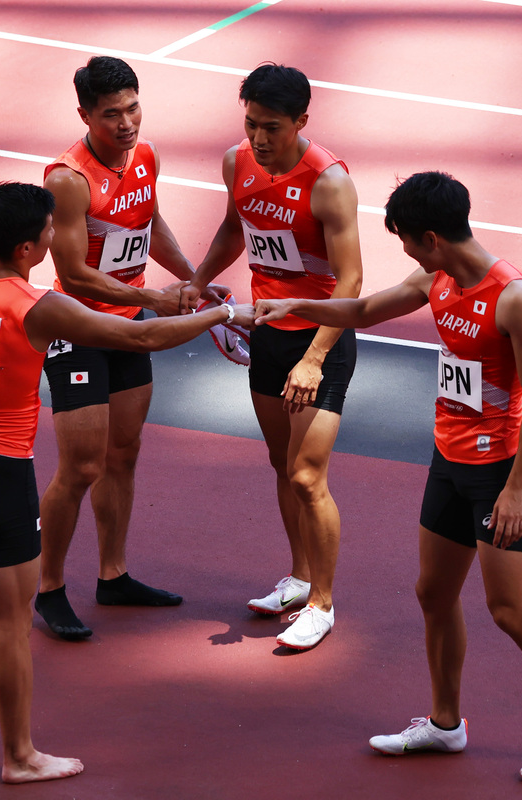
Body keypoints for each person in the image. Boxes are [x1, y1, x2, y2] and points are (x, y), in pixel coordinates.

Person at [0, 182, 252, 783]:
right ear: (26, 247)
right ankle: (19, 757)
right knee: (10, 624)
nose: (55, 236)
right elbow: (141, 336)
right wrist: (222, 314)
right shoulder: (37, 306)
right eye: (48, 230)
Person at [253, 171, 522, 780]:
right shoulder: (434, 276)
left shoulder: (515, 297)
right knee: (433, 594)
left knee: (510, 610)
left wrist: (518, 487)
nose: (407, 252)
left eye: (409, 241)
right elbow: (364, 308)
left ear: (434, 236)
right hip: (448, 460)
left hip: (499, 472)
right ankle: (446, 725)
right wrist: (297, 304)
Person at [36, 56, 227, 640]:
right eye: (111, 114)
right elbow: (72, 272)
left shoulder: (145, 158)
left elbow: (149, 221)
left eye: (133, 108)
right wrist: (150, 297)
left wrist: (192, 279)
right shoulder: (67, 180)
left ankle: (113, 575)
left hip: (128, 328)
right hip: (80, 330)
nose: (126, 123)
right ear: (85, 115)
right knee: (82, 466)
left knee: (124, 454)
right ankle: (48, 589)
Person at [181, 64, 363, 651]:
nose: (259, 139)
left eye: (273, 128)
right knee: (282, 463)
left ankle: (323, 603)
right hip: (268, 331)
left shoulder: (328, 182)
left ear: (302, 122)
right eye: (252, 123)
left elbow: (352, 279)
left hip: (319, 340)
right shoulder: (238, 162)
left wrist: (312, 359)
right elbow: (236, 226)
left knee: (310, 476)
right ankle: (299, 575)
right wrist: (198, 277)